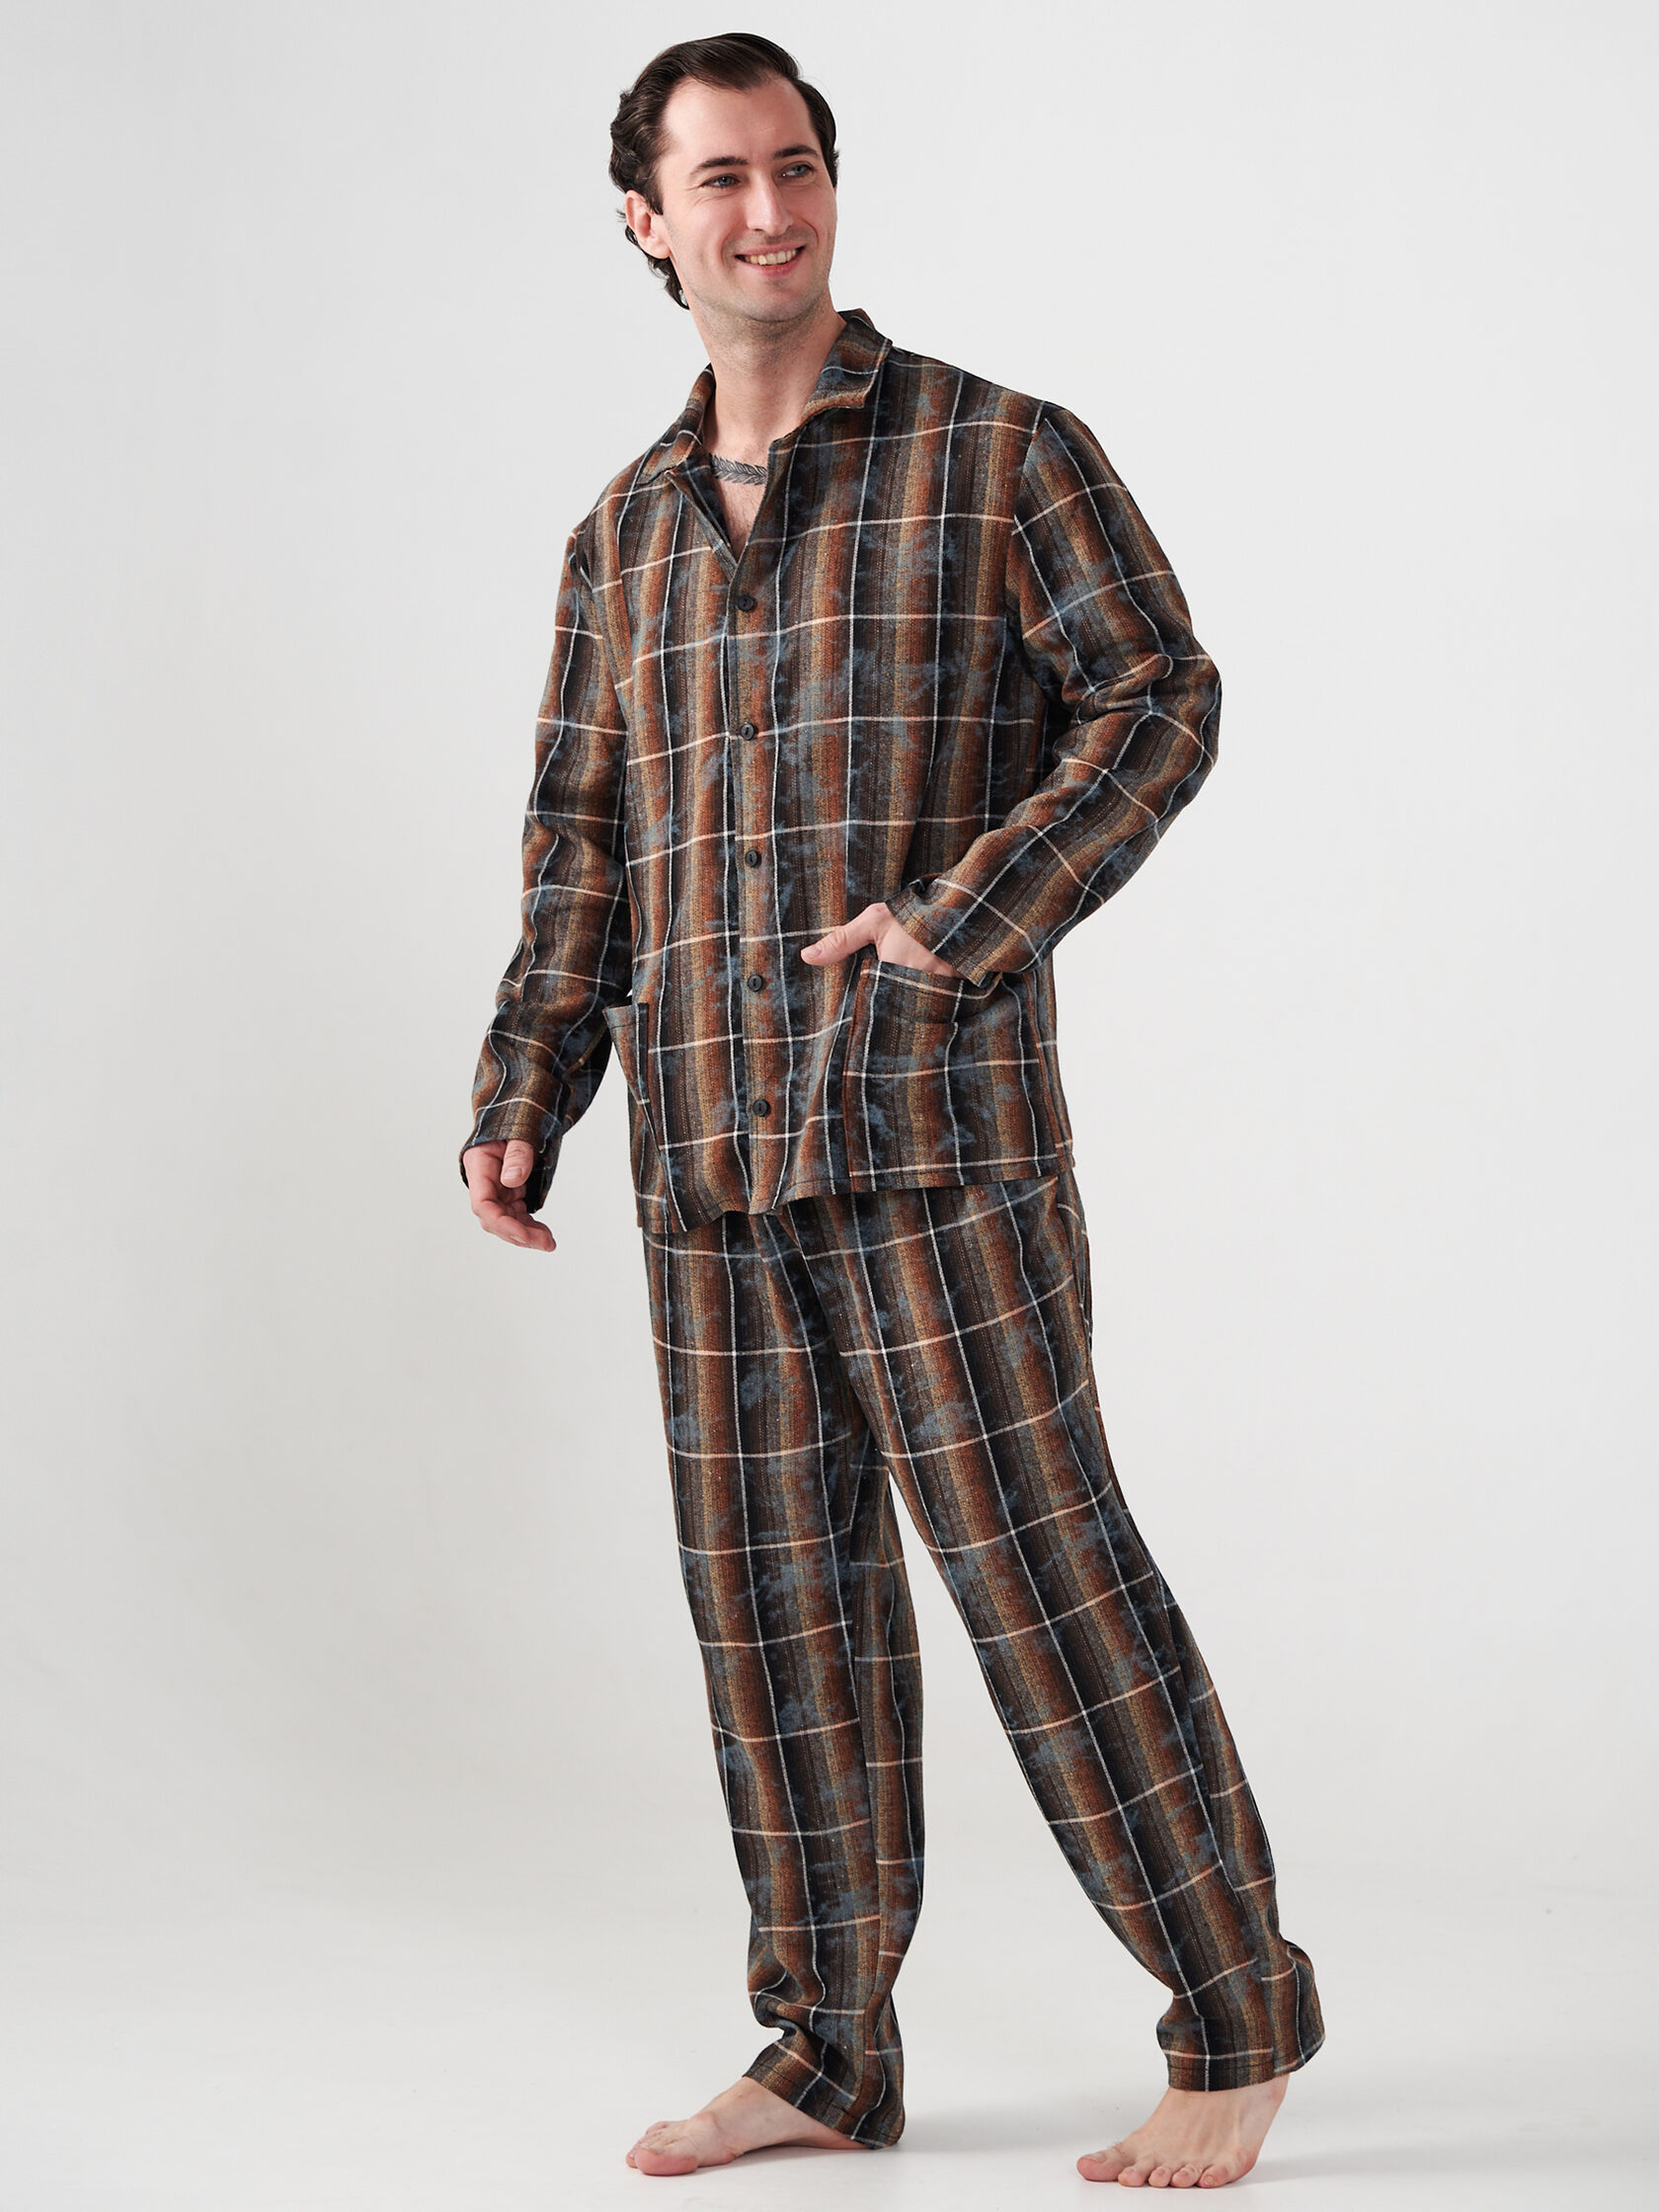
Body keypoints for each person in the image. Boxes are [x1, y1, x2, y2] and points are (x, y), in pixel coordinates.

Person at [460, 32, 1323, 2189]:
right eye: (723, 179)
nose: (771, 212)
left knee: (1043, 1575)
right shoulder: (619, 538)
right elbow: (584, 839)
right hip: (705, 1145)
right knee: (775, 1605)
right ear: (646, 223)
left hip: (936, 1130)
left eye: (799, 167)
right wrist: (528, 1081)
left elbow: (1159, 697)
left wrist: (964, 917)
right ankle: (827, 2053)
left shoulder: (999, 452)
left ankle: (1236, 2019)